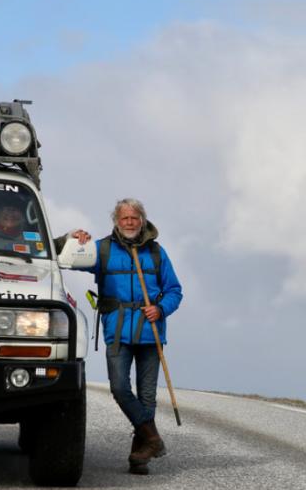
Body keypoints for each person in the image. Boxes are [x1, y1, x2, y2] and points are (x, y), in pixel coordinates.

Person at [60, 198, 182, 475]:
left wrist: (161, 309)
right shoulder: (101, 249)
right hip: (117, 331)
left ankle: (139, 456)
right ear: (116, 221)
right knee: (118, 388)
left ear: (142, 220)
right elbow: (66, 260)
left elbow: (175, 290)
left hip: (151, 332)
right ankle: (152, 438)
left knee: (147, 397)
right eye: (124, 218)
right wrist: (73, 239)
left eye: (134, 218)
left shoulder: (156, 253)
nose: (129, 223)